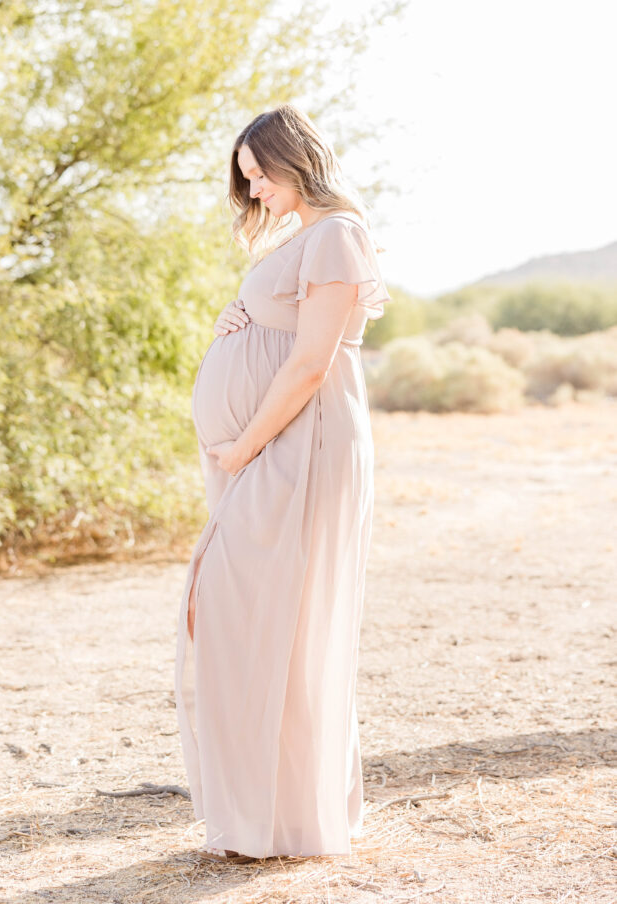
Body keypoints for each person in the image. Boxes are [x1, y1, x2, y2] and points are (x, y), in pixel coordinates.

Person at [174, 103, 392, 863]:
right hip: (269, 445)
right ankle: (269, 811)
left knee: (266, 620)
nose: (255, 190)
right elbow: (283, 335)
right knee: (258, 621)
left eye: (260, 173)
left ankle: (288, 820)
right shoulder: (307, 237)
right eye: (246, 180)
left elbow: (309, 363)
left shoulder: (337, 231)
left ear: (297, 158)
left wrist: (242, 449)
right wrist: (239, 319)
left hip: (299, 445)